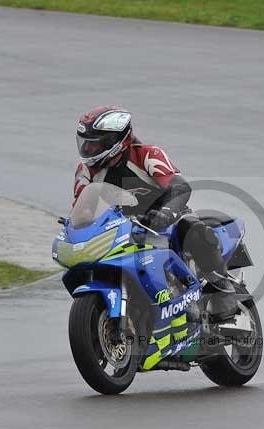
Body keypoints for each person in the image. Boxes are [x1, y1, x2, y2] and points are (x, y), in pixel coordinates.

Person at [73, 105, 237, 321]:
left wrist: (166, 212)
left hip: (167, 216)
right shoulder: (85, 172)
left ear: (115, 142)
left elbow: (180, 187)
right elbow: (81, 211)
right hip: (124, 226)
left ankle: (222, 288)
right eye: (85, 143)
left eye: (94, 145)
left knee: (193, 230)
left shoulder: (147, 155)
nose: (88, 150)